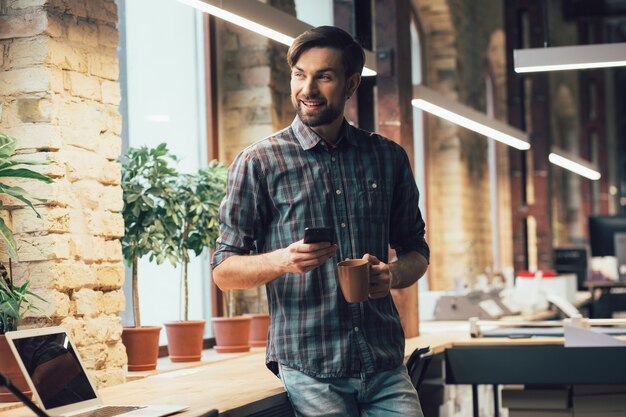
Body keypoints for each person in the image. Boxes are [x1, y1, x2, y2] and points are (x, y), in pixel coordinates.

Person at [211, 25, 429, 417]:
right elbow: (224, 271)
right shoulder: (260, 162)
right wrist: (284, 260)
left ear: (350, 84)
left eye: (323, 76)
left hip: (384, 364)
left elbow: (417, 251)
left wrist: (392, 275)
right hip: (311, 368)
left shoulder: (387, 157)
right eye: (299, 74)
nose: (307, 88)